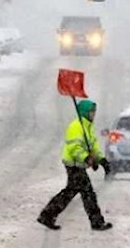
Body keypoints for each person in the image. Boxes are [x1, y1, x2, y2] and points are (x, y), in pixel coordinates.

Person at [37, 99, 113, 231]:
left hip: (79, 164)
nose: (94, 114)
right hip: (73, 164)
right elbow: (74, 147)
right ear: (84, 112)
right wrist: (86, 157)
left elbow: (93, 146)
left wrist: (102, 161)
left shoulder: (87, 127)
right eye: (91, 112)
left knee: (71, 191)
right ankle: (96, 222)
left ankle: (47, 215)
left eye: (94, 112)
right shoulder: (76, 126)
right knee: (87, 192)